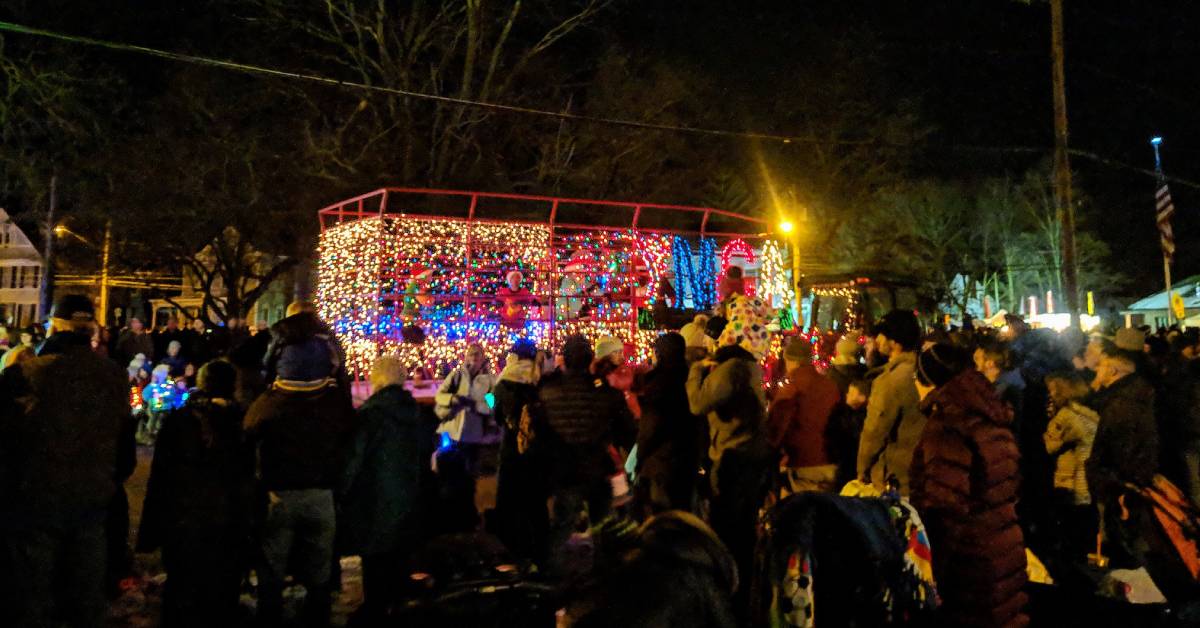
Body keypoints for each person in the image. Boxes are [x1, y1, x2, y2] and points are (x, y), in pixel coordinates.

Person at [0, 295, 128, 628]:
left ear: (54, 326)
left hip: (36, 498)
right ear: (91, 331)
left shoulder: (28, 372)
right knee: (85, 595)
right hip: (91, 498)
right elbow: (123, 443)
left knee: (33, 594)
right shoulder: (113, 374)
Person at [909, 343, 1028, 627]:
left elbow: (945, 507)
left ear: (928, 382)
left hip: (971, 565)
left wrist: (933, 570)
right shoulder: (990, 412)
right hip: (1004, 547)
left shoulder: (948, 425)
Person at [244, 334, 356, 628]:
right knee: (319, 568)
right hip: (321, 493)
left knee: (272, 567)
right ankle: (317, 618)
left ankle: (270, 617)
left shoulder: (270, 402)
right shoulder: (332, 402)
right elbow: (349, 433)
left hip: (279, 494)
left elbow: (247, 431)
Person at [136, 360, 250, 628]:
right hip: (227, 520)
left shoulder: (181, 420)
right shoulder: (243, 420)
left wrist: (152, 529)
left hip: (184, 518)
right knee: (221, 590)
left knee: (182, 588)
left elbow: (161, 477)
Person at [339, 356, 432, 624]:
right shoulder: (414, 412)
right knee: (398, 554)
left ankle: (376, 609)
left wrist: (343, 490)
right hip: (407, 496)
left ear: (376, 379)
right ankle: (398, 604)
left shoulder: (371, 415)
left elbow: (354, 458)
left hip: (374, 497)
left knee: (375, 558)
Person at [687, 328, 769, 622]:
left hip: (732, 458)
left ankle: (730, 590)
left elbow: (697, 403)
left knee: (728, 526)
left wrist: (697, 370)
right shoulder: (751, 370)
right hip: (752, 456)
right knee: (743, 527)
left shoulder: (729, 371)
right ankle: (744, 588)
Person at [539, 335, 637, 564]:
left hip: (564, 469)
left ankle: (552, 574)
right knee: (602, 525)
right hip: (596, 469)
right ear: (589, 359)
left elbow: (540, 431)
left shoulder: (548, 391)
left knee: (563, 524)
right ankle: (603, 575)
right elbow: (627, 430)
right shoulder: (605, 393)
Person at [1086, 328, 1158, 565]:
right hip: (1126, 485)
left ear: (1114, 370)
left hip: (1122, 489)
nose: (1097, 371)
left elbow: (1121, 451)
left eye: (1101, 367)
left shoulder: (1121, 404)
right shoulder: (1134, 393)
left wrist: (1115, 486)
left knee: (1128, 544)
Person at [490, 339, 550, 562]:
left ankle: (512, 556)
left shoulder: (502, 383)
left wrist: (488, 395)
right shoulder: (539, 382)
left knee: (509, 504)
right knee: (536, 506)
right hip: (535, 453)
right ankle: (541, 557)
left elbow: (494, 413)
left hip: (510, 453)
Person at [857, 309, 925, 494]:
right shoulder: (923, 370)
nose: (877, 340)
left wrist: (862, 469)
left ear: (894, 341)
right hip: (922, 469)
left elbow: (875, 431)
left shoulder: (890, 381)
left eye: (881, 335)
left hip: (896, 475)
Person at [634, 332, 701, 515]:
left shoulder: (658, 384)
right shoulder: (692, 378)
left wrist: (640, 457)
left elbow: (650, 427)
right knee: (684, 509)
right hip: (688, 456)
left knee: (664, 514)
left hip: (661, 461)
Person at [767, 337, 842, 494]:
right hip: (831, 461)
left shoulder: (791, 388)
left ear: (790, 360)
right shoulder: (830, 385)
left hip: (802, 464)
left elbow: (776, 430)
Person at [1043, 371, 1100, 562]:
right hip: (1086, 480)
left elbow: (1049, 446)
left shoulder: (1066, 415)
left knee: (1067, 530)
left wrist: (1048, 427)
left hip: (1070, 480)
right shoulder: (1088, 414)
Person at [434, 343, 499, 475]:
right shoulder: (456, 376)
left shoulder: (490, 381)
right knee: (453, 471)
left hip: (474, 434)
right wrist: (453, 399)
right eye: (471, 353)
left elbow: (492, 406)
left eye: (478, 353)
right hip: (454, 431)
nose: (474, 356)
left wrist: (475, 406)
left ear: (483, 357)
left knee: (469, 471)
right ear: (465, 357)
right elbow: (440, 396)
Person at [829, 379, 870, 489]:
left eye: (852, 393)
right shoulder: (844, 412)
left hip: (849, 463)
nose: (847, 395)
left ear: (863, 397)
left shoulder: (854, 416)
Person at [974, 338, 1025, 420]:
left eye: (977, 359)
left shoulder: (1003, 392)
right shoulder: (1011, 382)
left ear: (990, 363)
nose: (975, 364)